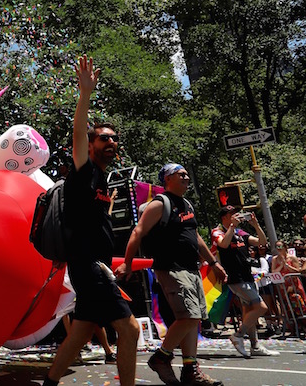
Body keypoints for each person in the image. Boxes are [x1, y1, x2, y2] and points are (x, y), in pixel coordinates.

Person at [42, 56, 139, 386]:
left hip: (93, 264)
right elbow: (77, 133)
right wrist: (85, 94)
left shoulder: (103, 180)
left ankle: (51, 382)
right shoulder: (84, 173)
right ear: (92, 145)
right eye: (104, 138)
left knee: (82, 330)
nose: (110, 142)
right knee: (130, 328)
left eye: (114, 138)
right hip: (87, 265)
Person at [118, 163, 226, 385]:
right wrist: (128, 263)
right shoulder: (160, 203)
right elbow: (138, 232)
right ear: (167, 179)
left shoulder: (186, 204)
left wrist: (213, 262)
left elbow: (196, 237)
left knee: (192, 319)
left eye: (187, 173)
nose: (186, 177)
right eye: (181, 174)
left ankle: (190, 370)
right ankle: (161, 357)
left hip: (191, 269)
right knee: (190, 316)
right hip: (172, 268)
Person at [211, 206, 277, 358]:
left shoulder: (241, 233)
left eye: (237, 213)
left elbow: (262, 241)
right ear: (224, 217)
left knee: (249, 312)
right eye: (232, 213)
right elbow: (223, 244)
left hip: (248, 277)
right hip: (235, 279)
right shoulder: (218, 231)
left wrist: (255, 225)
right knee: (261, 307)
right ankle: (238, 335)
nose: (237, 215)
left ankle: (255, 345)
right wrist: (232, 226)